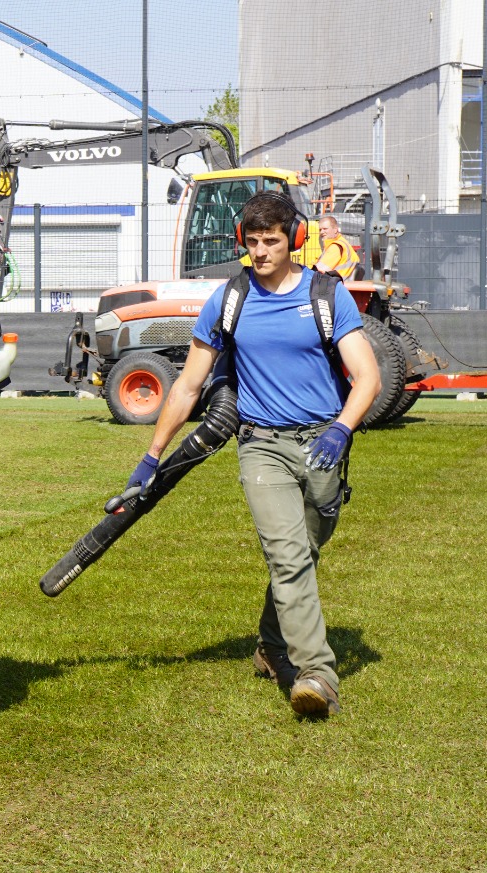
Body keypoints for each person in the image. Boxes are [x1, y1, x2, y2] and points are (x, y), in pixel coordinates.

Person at [124, 191, 379, 718]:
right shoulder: (229, 300)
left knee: (305, 553)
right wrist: (152, 455)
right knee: (288, 556)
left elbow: (368, 377)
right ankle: (317, 675)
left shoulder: (328, 296)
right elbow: (188, 386)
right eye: (253, 242)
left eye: (272, 241)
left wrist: (340, 429)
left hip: (323, 443)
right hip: (261, 445)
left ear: (295, 240)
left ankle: (269, 645)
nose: (260, 252)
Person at [314, 214, 361, 280]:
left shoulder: (336, 247)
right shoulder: (341, 242)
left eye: (325, 229)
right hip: (341, 282)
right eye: (320, 230)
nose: (322, 232)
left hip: (337, 284)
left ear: (335, 230)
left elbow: (318, 271)